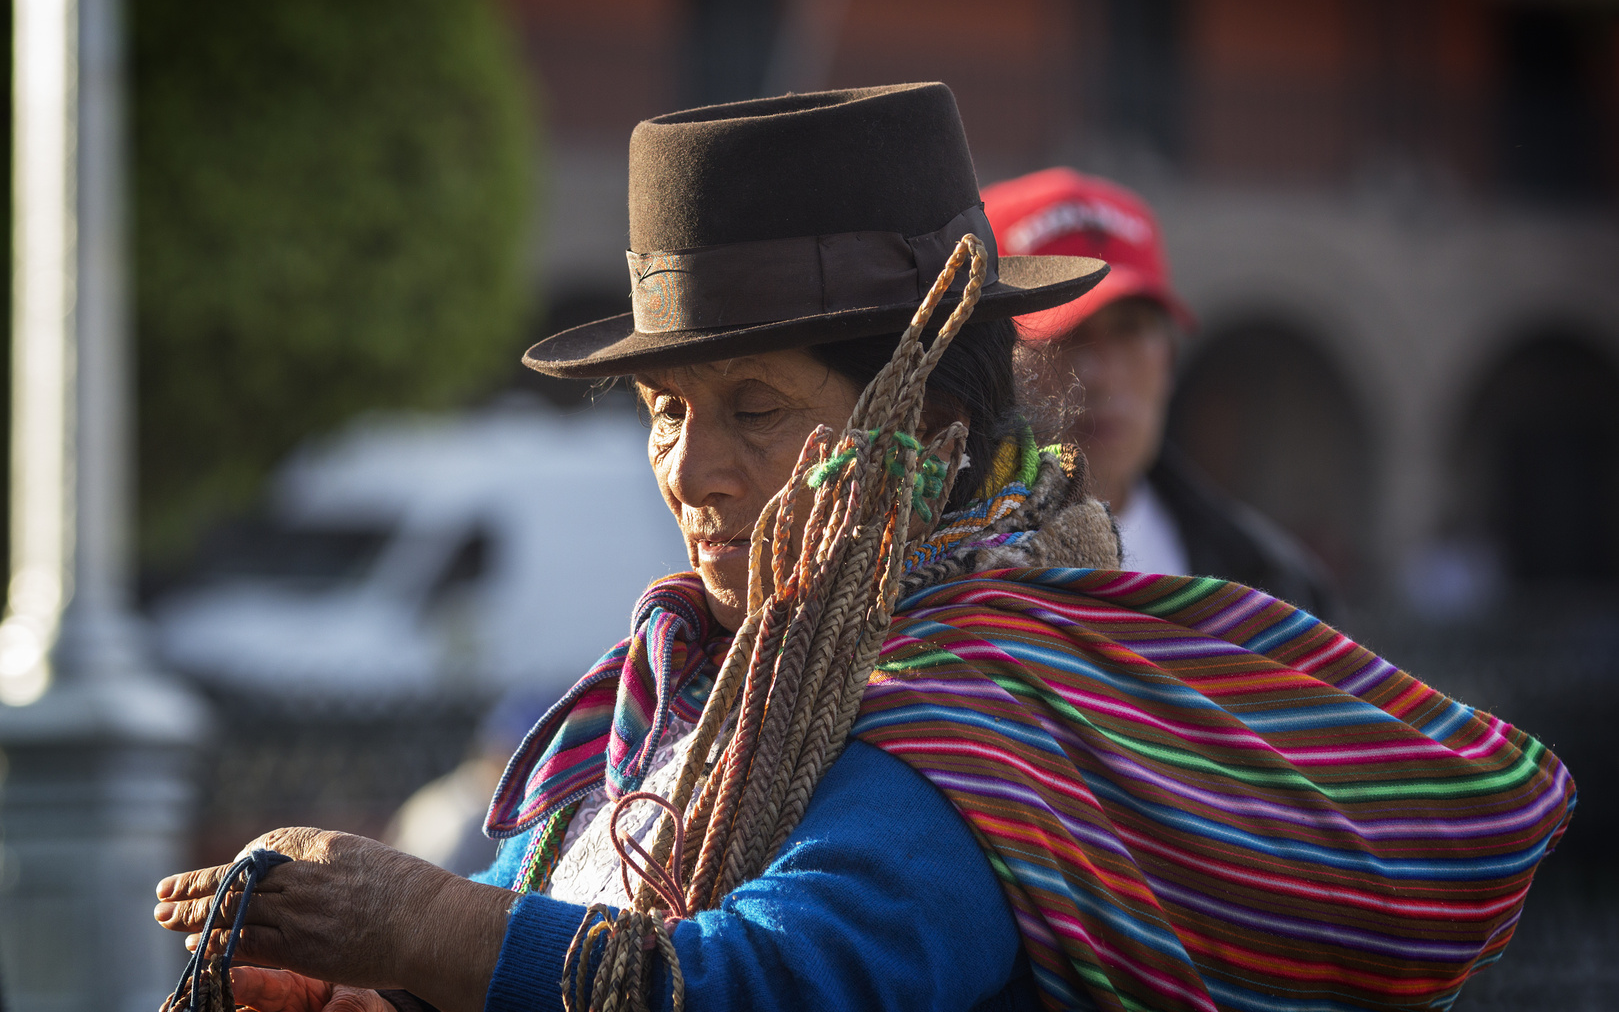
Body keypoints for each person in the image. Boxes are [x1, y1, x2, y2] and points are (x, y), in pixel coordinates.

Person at [155, 84, 1573, 1012]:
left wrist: (420, 927)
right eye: (663, 410)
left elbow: (774, 983)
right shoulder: (677, 692)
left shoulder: (975, 720)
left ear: (932, 435)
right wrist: (358, 991)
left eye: (753, 408)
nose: (689, 468)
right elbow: (555, 925)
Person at [983, 168, 1338, 619]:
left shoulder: (1278, 589)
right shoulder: (915, 585)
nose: (1100, 376)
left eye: (1130, 330)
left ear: (1168, 359)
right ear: (987, 361)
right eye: (1062, 332)